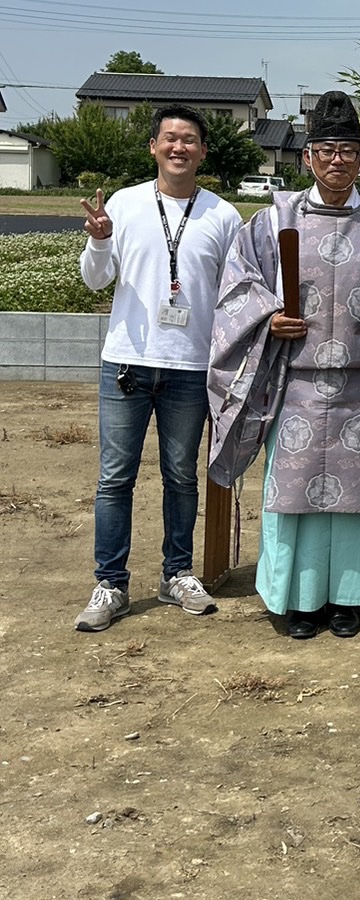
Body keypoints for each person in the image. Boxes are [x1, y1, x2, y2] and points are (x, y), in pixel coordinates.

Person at [208, 91, 360, 640]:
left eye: (349, 150)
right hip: (296, 387)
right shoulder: (273, 219)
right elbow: (238, 284)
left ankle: (351, 599)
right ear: (308, 156)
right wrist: (268, 319)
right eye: (326, 149)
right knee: (294, 498)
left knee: (359, 501)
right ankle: (300, 599)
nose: (338, 160)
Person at [75, 104, 243, 632]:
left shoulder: (223, 215)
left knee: (180, 476)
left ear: (203, 152)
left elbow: (235, 294)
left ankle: (177, 574)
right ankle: (110, 584)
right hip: (127, 362)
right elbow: (95, 281)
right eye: (169, 138)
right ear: (153, 147)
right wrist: (100, 238)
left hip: (190, 367)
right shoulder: (123, 206)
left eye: (189, 140)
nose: (179, 148)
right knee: (114, 478)